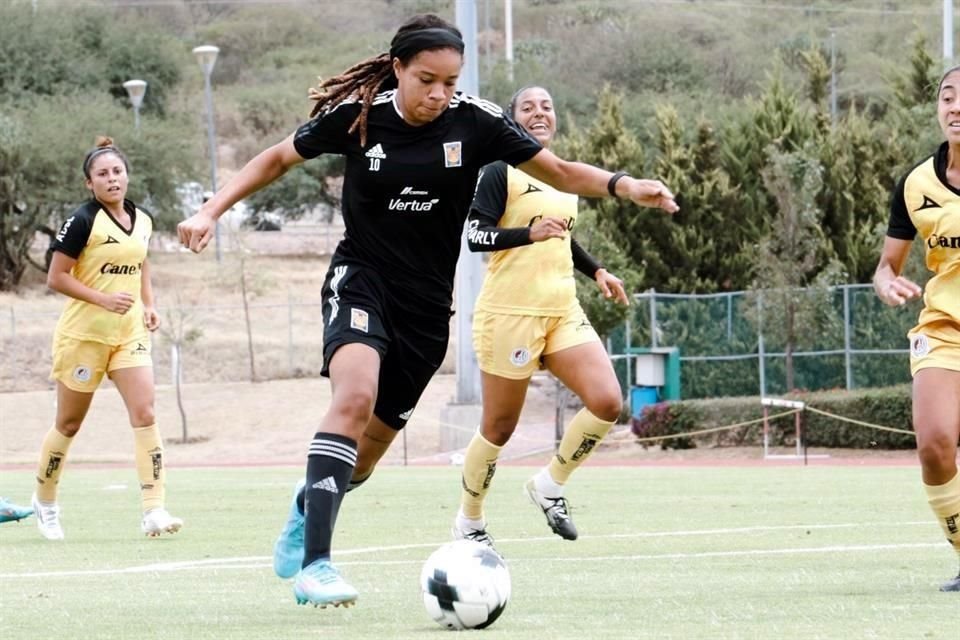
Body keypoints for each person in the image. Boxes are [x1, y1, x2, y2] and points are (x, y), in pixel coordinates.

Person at [177, 14, 677, 609]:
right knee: (353, 398)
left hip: (425, 308)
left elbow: (563, 172)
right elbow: (276, 160)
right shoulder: (361, 116)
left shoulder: (478, 121)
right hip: (361, 278)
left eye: (449, 81)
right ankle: (317, 564)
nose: (438, 94)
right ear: (398, 69)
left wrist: (625, 185)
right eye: (425, 80)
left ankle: (308, 502)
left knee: (370, 451)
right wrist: (210, 210)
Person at [452, 86, 628, 548]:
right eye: (528, 108)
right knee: (499, 428)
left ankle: (549, 487)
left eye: (547, 106)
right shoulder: (498, 169)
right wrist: (526, 233)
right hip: (509, 312)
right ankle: (469, 521)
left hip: (561, 308)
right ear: (511, 120)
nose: (539, 113)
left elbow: (562, 238)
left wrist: (597, 271)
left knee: (608, 401)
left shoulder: (563, 178)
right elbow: (474, 234)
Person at [33, 136, 183, 541]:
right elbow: (56, 277)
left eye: (117, 171)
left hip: (129, 334)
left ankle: (154, 509)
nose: (112, 179)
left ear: (127, 176)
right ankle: (45, 502)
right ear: (90, 184)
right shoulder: (82, 221)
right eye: (102, 174)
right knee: (68, 423)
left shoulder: (144, 219)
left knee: (146, 413)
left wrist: (148, 304)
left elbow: (141, 261)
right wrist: (101, 298)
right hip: (84, 336)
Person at [873, 64, 960, 592]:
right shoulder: (915, 183)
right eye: (948, 97)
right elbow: (889, 265)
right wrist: (886, 282)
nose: (957, 106)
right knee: (934, 443)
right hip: (944, 327)